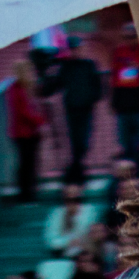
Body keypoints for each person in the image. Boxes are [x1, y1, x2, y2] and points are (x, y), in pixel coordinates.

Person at [39, 32, 108, 187]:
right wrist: (46, 76)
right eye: (74, 49)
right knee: (76, 142)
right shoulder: (65, 67)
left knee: (83, 142)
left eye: (78, 48)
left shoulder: (89, 64)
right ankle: (77, 174)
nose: (76, 51)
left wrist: (92, 98)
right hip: (71, 109)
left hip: (86, 109)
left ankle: (74, 174)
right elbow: (53, 87)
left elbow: (97, 85)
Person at [109, 23, 139, 165]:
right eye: (126, 37)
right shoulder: (119, 52)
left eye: (132, 37)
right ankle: (131, 167)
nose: (129, 40)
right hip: (124, 102)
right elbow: (115, 78)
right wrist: (114, 102)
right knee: (126, 140)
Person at [6, 59, 48, 201]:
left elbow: (37, 106)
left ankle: (32, 191)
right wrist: (40, 121)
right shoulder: (15, 90)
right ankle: (25, 193)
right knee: (25, 163)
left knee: (33, 162)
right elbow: (22, 112)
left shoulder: (31, 88)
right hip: (23, 133)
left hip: (33, 132)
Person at [46, 183, 99, 255]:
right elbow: (51, 241)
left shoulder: (90, 211)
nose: (72, 197)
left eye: (75, 198)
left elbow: (89, 234)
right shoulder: (56, 213)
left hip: (85, 252)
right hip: (62, 253)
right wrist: (68, 242)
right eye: (68, 198)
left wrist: (75, 217)